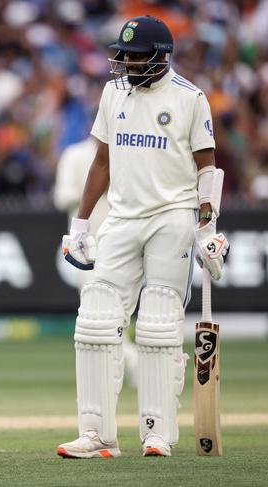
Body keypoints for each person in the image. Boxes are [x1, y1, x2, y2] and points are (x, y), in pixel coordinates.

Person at [57, 15, 229, 458]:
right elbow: (102, 161)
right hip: (121, 216)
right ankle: (96, 434)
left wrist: (209, 227)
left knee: (158, 322)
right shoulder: (113, 91)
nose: (128, 63)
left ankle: (157, 432)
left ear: (161, 56)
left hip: (172, 216)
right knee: (95, 319)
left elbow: (207, 167)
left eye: (136, 56)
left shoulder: (191, 98)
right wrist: (79, 223)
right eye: (124, 55)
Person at [53, 136, 138, 389]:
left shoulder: (128, 150)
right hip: (89, 249)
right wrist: (99, 186)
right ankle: (133, 368)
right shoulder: (75, 154)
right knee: (97, 313)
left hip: (125, 243)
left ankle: (126, 371)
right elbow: (62, 197)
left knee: (120, 313)